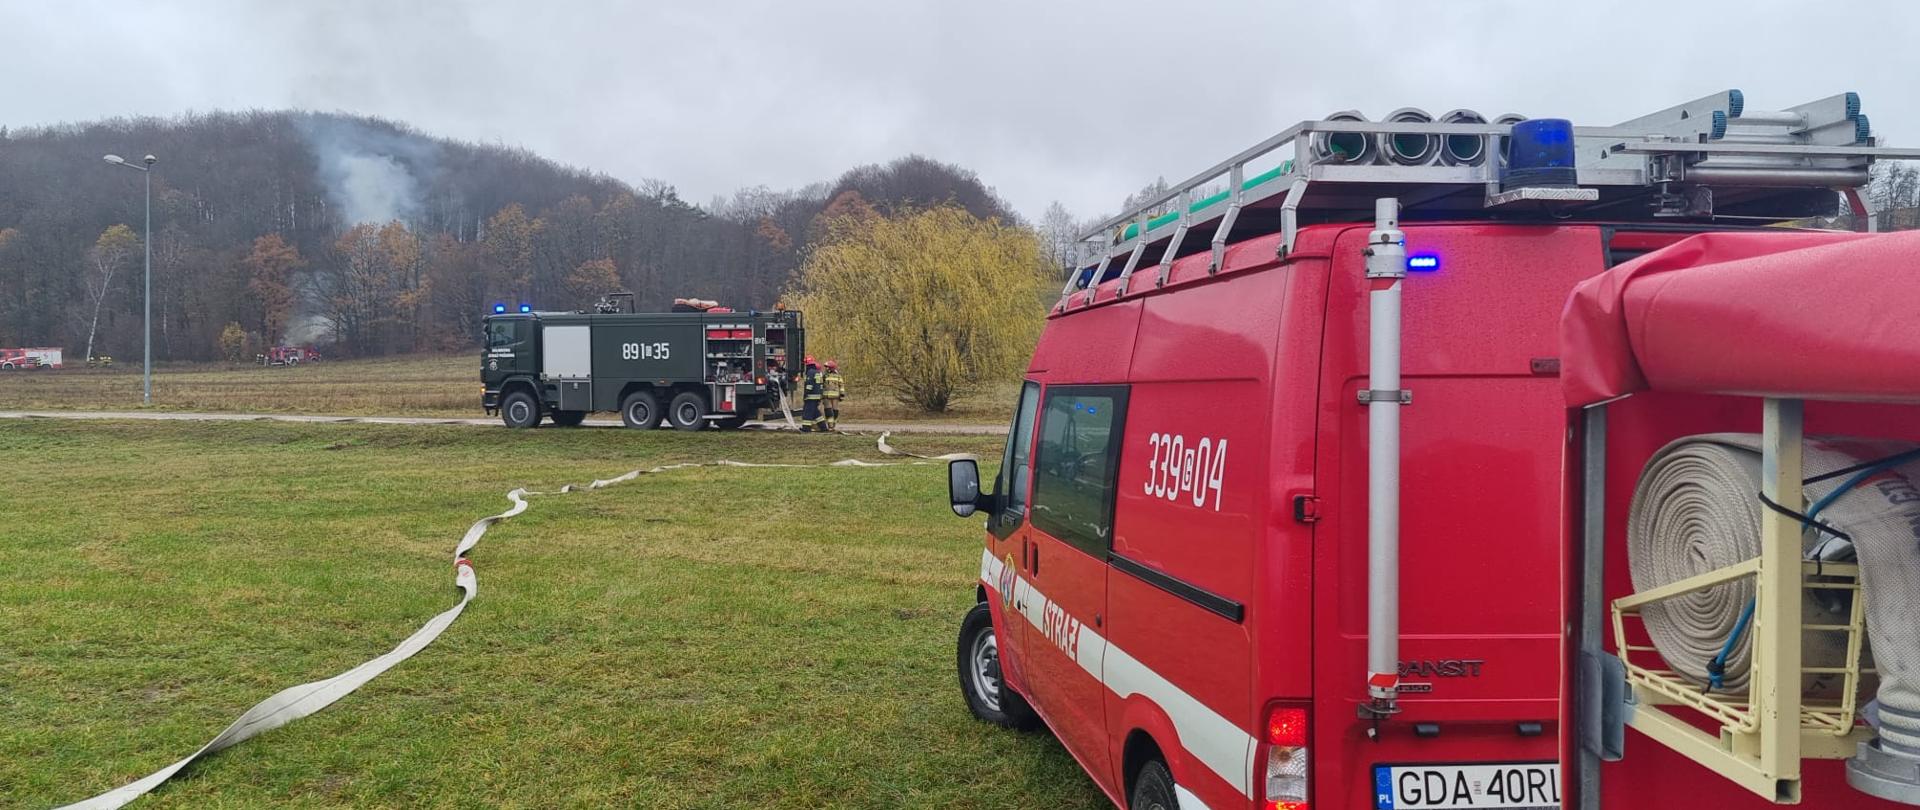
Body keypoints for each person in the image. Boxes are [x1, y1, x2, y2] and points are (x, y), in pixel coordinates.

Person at [800, 356, 825, 432]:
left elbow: (809, 385)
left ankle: (806, 428)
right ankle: (824, 427)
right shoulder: (818, 372)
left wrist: (806, 394)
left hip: (811, 396)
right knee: (816, 413)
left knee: (807, 413)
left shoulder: (810, 372)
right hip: (817, 395)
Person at [822, 359, 845, 431]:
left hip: (832, 396)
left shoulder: (827, 376)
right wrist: (842, 395)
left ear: (831, 368)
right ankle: (831, 426)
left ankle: (832, 425)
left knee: (834, 411)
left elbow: (841, 386)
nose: (826, 368)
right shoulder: (825, 375)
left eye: (827, 367)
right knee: (829, 411)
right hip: (828, 396)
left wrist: (842, 395)